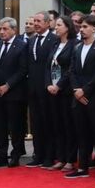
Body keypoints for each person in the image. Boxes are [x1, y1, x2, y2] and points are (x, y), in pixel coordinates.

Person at [67, 15, 95, 180]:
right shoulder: (77, 48)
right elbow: (71, 71)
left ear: (94, 28)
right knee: (81, 133)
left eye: (85, 27)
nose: (82, 29)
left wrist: (84, 90)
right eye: (81, 27)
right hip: (78, 97)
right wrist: (76, 90)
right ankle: (82, 167)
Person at [0, 18, 29, 168]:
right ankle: (2, 155)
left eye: (5, 29)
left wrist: (8, 85)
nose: (2, 32)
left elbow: (22, 69)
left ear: (14, 30)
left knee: (15, 126)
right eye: (0, 29)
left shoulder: (22, 46)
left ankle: (16, 154)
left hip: (14, 93)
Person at [26, 12, 58, 168]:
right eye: (34, 21)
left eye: (39, 21)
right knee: (36, 123)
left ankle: (50, 155)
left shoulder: (55, 40)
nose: (36, 24)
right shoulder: (31, 41)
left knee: (48, 122)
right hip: (32, 89)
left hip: (47, 88)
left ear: (47, 23)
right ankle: (38, 154)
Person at [45, 16, 77, 171]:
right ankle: (61, 157)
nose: (55, 28)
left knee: (67, 125)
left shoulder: (74, 44)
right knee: (56, 125)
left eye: (59, 25)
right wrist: (49, 84)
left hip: (65, 91)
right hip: (52, 90)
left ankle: (70, 159)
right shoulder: (55, 44)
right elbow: (47, 66)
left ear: (67, 27)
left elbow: (71, 68)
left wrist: (59, 85)